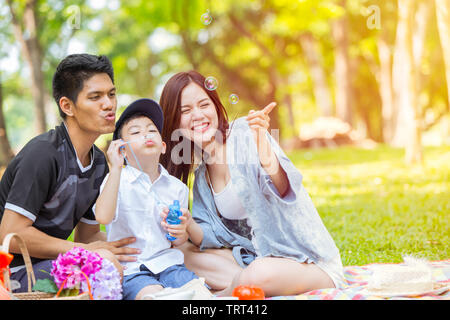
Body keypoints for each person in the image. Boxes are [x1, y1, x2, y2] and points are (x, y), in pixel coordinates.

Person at [159, 70, 345, 297]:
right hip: (255, 258)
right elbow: (207, 237)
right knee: (183, 253)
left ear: (216, 107)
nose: (197, 115)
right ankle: (242, 284)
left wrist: (264, 150)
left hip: (306, 263)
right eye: (185, 110)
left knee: (258, 273)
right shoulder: (201, 178)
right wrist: (187, 224)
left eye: (203, 104)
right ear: (174, 122)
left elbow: (283, 187)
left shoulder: (246, 132)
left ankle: (225, 293)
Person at [0, 53, 139, 292]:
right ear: (67, 106)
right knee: (103, 269)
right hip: (12, 273)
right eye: (95, 97)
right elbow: (11, 232)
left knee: (136, 263)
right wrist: (85, 252)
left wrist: (136, 246)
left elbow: (88, 236)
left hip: (54, 265)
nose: (109, 104)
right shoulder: (42, 154)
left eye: (111, 94)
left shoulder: (98, 163)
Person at [94, 98, 200, 300]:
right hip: (133, 270)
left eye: (151, 130)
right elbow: (102, 217)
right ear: (122, 150)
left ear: (162, 147)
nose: (145, 134)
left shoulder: (177, 188)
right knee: (154, 296)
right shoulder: (116, 180)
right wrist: (115, 168)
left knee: (199, 295)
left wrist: (179, 232)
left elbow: (178, 240)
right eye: (135, 132)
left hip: (170, 265)